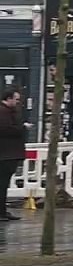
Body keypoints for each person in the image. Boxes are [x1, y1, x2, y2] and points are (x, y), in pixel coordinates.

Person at [0, 88, 29, 220]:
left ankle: (3, 211)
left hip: (7, 154)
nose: (18, 102)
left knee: (3, 184)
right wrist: (22, 128)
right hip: (6, 154)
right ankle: (1, 212)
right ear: (9, 99)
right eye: (16, 99)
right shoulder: (4, 112)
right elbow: (6, 130)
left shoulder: (7, 112)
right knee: (2, 183)